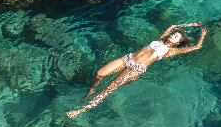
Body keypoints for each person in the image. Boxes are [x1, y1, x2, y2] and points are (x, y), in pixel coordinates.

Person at [66, 22, 207, 118]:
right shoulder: (161, 39)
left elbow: (196, 47)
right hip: (128, 58)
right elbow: (172, 26)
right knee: (99, 73)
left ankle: (81, 111)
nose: (172, 35)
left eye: (175, 36)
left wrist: (202, 35)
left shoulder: (171, 51)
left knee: (109, 89)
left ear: (177, 43)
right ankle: (92, 89)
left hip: (135, 69)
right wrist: (190, 25)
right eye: (173, 34)